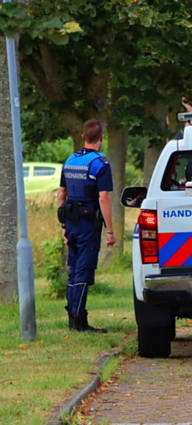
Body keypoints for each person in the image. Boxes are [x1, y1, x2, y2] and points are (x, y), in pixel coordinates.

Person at [57, 119, 115, 333]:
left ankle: (72, 317)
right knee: (83, 271)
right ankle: (79, 322)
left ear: (83, 137)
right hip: (88, 224)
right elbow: (103, 199)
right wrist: (110, 231)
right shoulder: (100, 164)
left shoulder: (70, 161)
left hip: (71, 222)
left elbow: (61, 194)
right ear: (102, 138)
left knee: (74, 271)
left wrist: (64, 225)